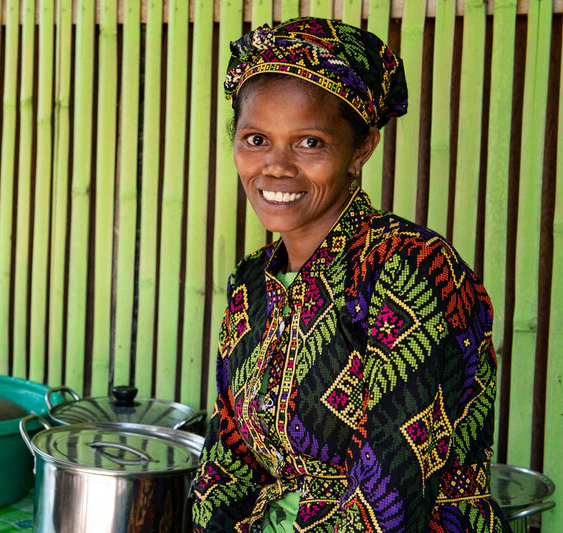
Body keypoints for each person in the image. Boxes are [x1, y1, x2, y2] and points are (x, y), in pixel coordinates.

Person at [190, 17, 511, 533]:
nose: (275, 167)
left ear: (362, 148)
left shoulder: (412, 270)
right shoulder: (251, 283)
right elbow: (226, 457)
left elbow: (392, 495)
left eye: (309, 143)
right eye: (256, 139)